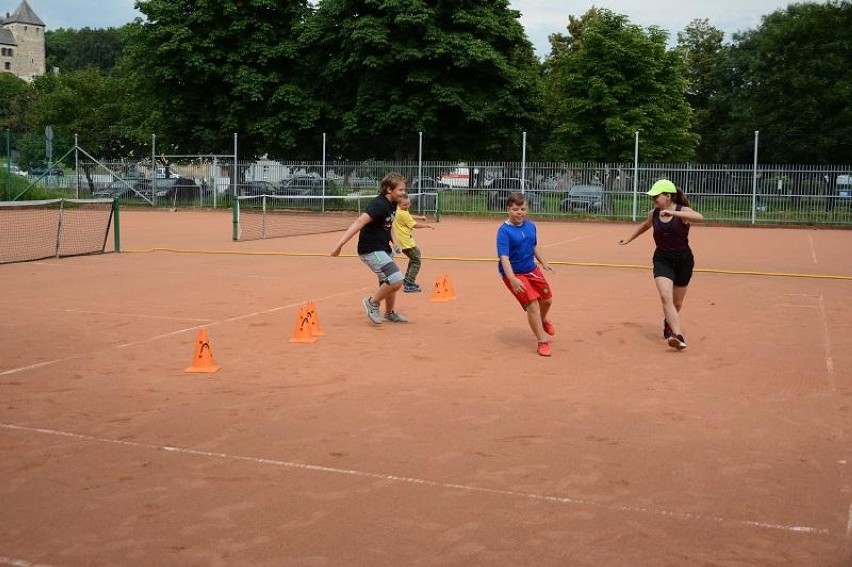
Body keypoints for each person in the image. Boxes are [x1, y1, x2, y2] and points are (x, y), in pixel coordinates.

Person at [618, 179, 704, 350]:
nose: (654, 200)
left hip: (683, 260)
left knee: (677, 303)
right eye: (652, 197)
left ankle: (668, 323)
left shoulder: (682, 211)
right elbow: (645, 225)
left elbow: (700, 217)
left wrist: (674, 214)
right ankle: (677, 335)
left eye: (656, 197)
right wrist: (628, 239)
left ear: (668, 196)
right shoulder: (654, 213)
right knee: (666, 297)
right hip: (662, 259)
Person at [331, 172, 409, 325]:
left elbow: (388, 224)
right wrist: (339, 245)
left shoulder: (392, 203)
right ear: (389, 189)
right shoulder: (378, 205)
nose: (403, 192)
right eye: (400, 189)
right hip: (371, 250)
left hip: (382, 248)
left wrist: (395, 242)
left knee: (386, 281)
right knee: (396, 279)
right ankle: (372, 303)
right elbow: (359, 222)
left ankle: (389, 313)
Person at [497, 192, 556, 357]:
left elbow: (534, 246)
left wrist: (543, 263)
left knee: (548, 301)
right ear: (508, 209)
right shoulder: (504, 231)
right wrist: (512, 279)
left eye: (523, 209)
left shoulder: (530, 226)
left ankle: (542, 321)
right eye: (515, 209)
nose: (519, 212)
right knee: (532, 305)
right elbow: (504, 258)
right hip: (515, 273)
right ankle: (542, 341)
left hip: (532, 269)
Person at [392, 194, 435, 293]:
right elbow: (413, 224)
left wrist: (419, 217)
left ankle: (408, 280)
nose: (407, 206)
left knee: (414, 258)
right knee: (416, 259)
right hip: (405, 241)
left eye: (408, 204)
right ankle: (409, 283)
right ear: (399, 204)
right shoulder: (402, 213)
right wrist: (427, 225)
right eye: (404, 205)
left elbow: (408, 215)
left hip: (403, 241)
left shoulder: (399, 211)